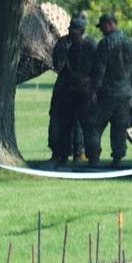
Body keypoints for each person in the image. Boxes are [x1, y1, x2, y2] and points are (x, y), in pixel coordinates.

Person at [86, 13, 132, 168]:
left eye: (102, 26)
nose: (101, 30)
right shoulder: (130, 44)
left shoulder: (105, 44)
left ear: (110, 24)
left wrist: (94, 91)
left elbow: (100, 70)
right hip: (125, 95)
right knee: (119, 128)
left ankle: (94, 158)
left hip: (107, 94)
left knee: (94, 125)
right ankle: (117, 160)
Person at [45, 13, 97, 169]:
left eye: (75, 33)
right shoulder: (63, 43)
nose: (72, 35)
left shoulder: (90, 45)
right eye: (71, 32)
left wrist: (94, 91)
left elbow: (96, 70)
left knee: (87, 126)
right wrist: (65, 51)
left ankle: (89, 156)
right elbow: (58, 66)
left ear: (82, 32)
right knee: (60, 125)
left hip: (83, 92)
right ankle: (60, 156)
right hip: (65, 92)